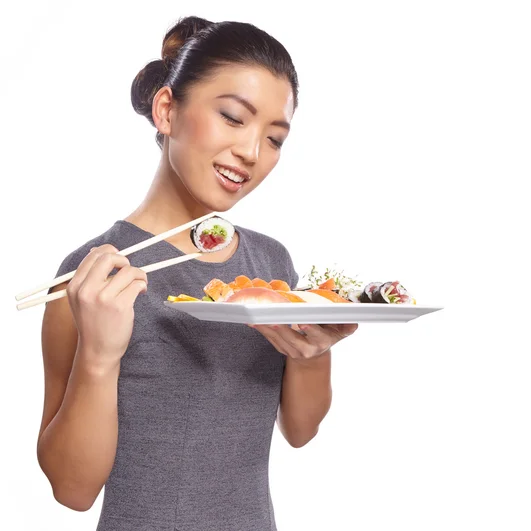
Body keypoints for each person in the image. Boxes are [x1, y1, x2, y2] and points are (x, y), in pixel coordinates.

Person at [36, 15, 358, 531]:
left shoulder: (270, 264)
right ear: (167, 110)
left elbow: (301, 429)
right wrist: (98, 356)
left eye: (275, 138)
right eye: (233, 117)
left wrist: (313, 350)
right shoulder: (92, 273)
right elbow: (72, 491)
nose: (252, 153)